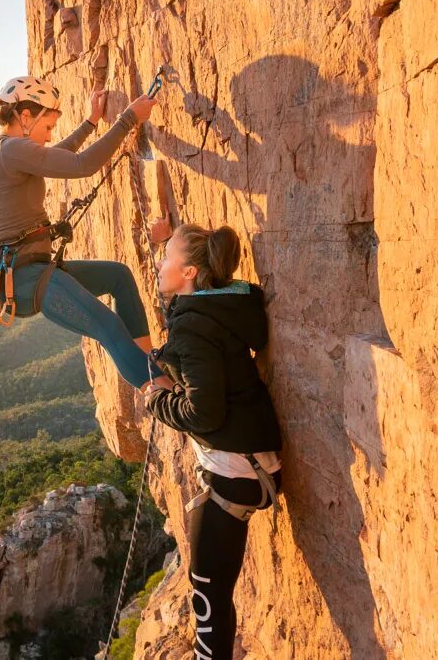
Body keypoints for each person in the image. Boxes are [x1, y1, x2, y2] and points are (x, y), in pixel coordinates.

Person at [144, 223, 284, 660]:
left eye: (165, 258)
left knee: (207, 593)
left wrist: (158, 401)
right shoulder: (224, 303)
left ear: (188, 272)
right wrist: (167, 238)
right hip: (250, 463)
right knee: (210, 591)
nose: (157, 265)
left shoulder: (192, 329)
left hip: (236, 472)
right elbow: (201, 280)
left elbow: (204, 413)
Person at [0, 74, 171, 391]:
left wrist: (91, 122)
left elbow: (62, 156)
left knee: (118, 277)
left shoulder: (6, 149)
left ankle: (149, 361)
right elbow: (80, 165)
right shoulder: (10, 150)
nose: (50, 136)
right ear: (26, 116)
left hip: (29, 269)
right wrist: (129, 118)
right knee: (108, 326)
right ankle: (163, 392)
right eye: (48, 126)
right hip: (24, 276)